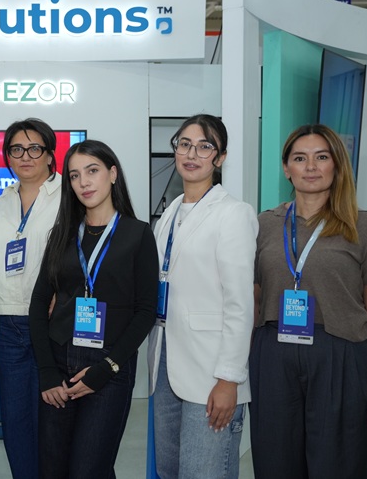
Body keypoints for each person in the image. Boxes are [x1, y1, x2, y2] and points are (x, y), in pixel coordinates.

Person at [251, 124, 367, 478]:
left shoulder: (365, 227)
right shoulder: (264, 225)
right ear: (286, 168)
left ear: (337, 165)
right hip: (273, 357)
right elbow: (253, 299)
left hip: (342, 358)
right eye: (299, 158)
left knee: (341, 465)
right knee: (275, 462)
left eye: (321, 157)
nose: (310, 167)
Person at [28, 139, 158, 479]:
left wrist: (107, 368)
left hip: (108, 369)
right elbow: (39, 303)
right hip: (59, 366)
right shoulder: (62, 234)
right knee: (52, 470)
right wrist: (46, 372)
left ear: (112, 174)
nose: (84, 182)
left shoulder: (138, 235)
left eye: (92, 171)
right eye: (74, 175)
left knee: (88, 470)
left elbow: (146, 311)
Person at [146, 114, 257, 479]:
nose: (192, 154)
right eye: (185, 144)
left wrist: (229, 379)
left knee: (203, 472)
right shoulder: (169, 213)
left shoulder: (233, 213)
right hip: (164, 362)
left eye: (205, 146)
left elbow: (240, 304)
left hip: (211, 371)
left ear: (220, 158)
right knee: (169, 470)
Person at [0, 118, 61, 479]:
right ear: (8, 156)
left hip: (49, 322)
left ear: (49, 155)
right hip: (6, 321)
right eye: (16, 149)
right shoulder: (3, 200)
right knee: (15, 421)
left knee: (51, 416)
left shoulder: (68, 197)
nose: (25, 156)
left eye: (34, 148)